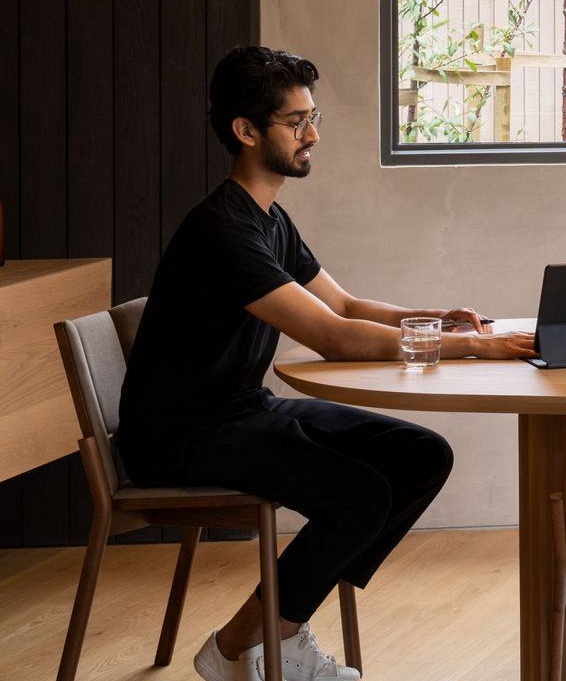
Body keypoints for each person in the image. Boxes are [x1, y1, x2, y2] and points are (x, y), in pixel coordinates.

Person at [117, 46, 536, 681]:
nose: (312, 135)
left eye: (315, 118)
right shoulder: (222, 233)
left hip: (237, 412)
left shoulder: (268, 220)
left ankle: (269, 635)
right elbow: (335, 336)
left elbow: (344, 302)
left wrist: (436, 319)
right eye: (295, 122)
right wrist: (476, 348)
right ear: (246, 130)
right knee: (360, 497)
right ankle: (243, 645)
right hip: (181, 436)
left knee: (422, 457)